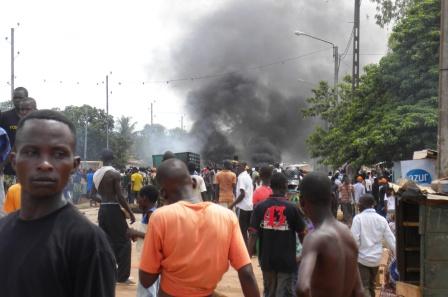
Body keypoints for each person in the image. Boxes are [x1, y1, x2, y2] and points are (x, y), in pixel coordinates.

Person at [0, 109, 116, 297]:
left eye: (59, 153)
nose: (45, 164)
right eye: (32, 152)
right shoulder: (2, 230)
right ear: (13, 161)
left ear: (74, 165)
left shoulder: (88, 243)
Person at [139, 158, 260, 297]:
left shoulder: (160, 217)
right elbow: (247, 273)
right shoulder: (227, 217)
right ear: (194, 182)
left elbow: (146, 279)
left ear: (163, 193)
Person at [296, 172, 363, 297]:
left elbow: (303, 288)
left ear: (302, 202)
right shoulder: (348, 234)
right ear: (333, 198)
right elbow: (359, 291)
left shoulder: (314, 238)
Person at [248, 173, 306, 297]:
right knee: (284, 293)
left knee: (269, 292)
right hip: (287, 262)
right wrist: (305, 255)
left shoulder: (259, 207)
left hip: (266, 260)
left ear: (271, 186)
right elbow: (302, 235)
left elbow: (253, 235)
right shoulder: (292, 208)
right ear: (285, 186)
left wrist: (247, 260)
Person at [94, 149, 136, 284]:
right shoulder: (114, 174)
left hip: (103, 210)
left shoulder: (97, 174)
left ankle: (108, 273)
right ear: (113, 159)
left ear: (102, 159)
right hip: (113, 209)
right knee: (124, 242)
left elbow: (92, 195)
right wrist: (130, 212)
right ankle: (122, 277)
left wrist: (105, 203)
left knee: (107, 241)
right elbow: (119, 196)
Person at [351, 194, 396, 297]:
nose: (358, 206)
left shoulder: (358, 219)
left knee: (364, 286)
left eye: (359, 204)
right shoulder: (382, 219)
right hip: (376, 259)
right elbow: (391, 240)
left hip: (362, 259)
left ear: (362, 205)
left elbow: (354, 241)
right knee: (372, 285)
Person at [128, 185, 160, 297]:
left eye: (138, 198)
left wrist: (135, 233)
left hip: (150, 256)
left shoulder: (152, 214)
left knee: (147, 288)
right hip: (147, 254)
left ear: (145, 198)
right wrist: (137, 236)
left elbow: (156, 237)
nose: (137, 201)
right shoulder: (148, 213)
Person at [229, 162, 254, 247]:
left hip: (242, 207)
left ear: (243, 167)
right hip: (249, 206)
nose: (236, 168)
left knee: (242, 230)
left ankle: (243, 248)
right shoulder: (248, 176)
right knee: (247, 229)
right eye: (236, 166)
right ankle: (248, 248)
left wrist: (232, 204)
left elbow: (242, 194)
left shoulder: (241, 177)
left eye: (238, 166)